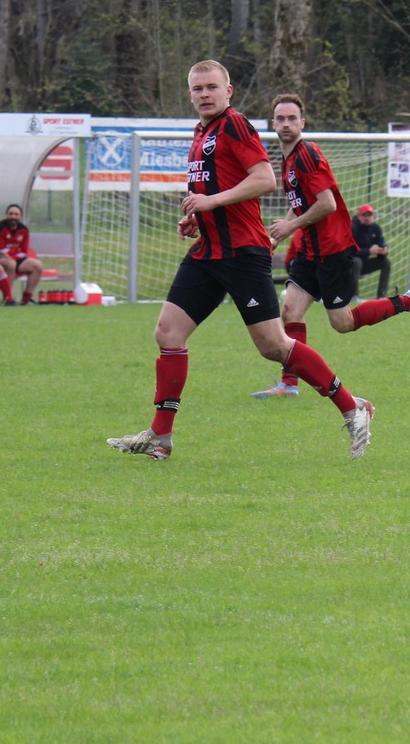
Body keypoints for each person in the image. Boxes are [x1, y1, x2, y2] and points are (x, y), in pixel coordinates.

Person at [107, 61, 372, 462]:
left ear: (228, 91)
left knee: (273, 345)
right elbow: (218, 186)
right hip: (208, 253)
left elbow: (264, 178)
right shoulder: (201, 133)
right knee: (168, 333)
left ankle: (354, 408)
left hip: (243, 254)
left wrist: (210, 201)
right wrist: (197, 216)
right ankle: (161, 436)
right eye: (197, 89)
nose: (204, 95)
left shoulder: (236, 125)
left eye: (212, 87)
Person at [252, 94, 410, 400]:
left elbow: (326, 204)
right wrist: (281, 234)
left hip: (334, 250)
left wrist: (290, 226)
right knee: (290, 309)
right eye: (280, 119)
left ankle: (409, 300)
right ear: (273, 123)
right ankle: (289, 384)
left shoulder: (308, 154)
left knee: (342, 322)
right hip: (311, 252)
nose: (286, 124)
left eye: (291, 119)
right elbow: (302, 203)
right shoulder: (288, 160)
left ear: (303, 122)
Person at [0, 203, 41, 305]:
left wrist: (15, 256)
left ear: (20, 217)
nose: (13, 217)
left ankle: (27, 299)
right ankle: (8, 298)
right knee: (11, 264)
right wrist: (13, 256)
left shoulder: (24, 230)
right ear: (6, 215)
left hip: (16, 259)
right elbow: (0, 250)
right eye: (11, 214)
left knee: (37, 266)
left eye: (16, 214)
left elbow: (23, 251)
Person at [353, 203, 391, 298]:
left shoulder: (376, 228)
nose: (367, 218)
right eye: (364, 215)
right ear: (358, 216)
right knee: (356, 262)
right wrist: (368, 251)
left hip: (363, 264)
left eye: (369, 215)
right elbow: (349, 251)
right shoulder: (353, 227)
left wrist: (383, 251)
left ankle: (381, 296)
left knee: (386, 262)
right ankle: (354, 296)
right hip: (347, 264)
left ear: (373, 216)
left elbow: (382, 243)